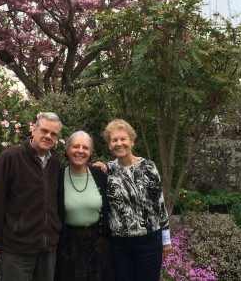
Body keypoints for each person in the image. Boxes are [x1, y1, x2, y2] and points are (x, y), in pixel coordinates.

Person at [0, 112, 63, 281]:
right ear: (34, 130)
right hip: (17, 249)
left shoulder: (55, 162)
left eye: (53, 134)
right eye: (44, 131)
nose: (48, 136)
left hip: (47, 249)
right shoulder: (11, 157)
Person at [95, 119, 172, 281]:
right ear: (109, 145)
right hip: (119, 244)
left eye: (123, 139)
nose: (119, 143)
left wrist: (166, 239)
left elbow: (159, 204)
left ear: (131, 141)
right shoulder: (107, 170)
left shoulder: (148, 167)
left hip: (148, 241)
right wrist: (95, 171)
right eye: (114, 140)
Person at [55, 131, 115, 281]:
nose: (80, 151)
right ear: (67, 150)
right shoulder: (57, 177)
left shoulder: (100, 175)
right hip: (68, 244)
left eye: (85, 148)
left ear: (90, 153)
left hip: (98, 242)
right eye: (76, 146)